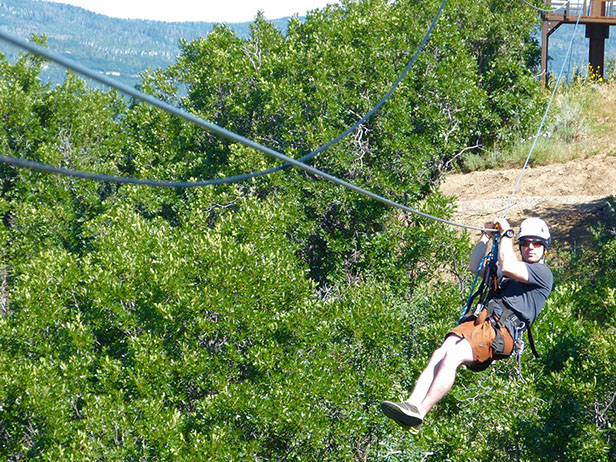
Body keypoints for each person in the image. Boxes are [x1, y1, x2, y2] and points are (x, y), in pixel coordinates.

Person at [381, 217, 554, 433]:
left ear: (544, 247)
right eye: (525, 243)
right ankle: (411, 404)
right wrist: (485, 236)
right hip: (483, 321)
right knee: (441, 353)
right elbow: (475, 266)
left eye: (536, 243)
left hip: (500, 331)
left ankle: (420, 413)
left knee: (453, 356)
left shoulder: (543, 274)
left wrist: (507, 234)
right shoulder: (511, 275)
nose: (530, 247)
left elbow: (508, 265)